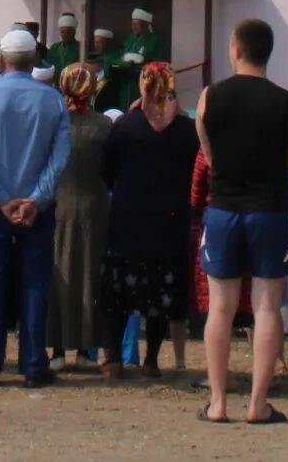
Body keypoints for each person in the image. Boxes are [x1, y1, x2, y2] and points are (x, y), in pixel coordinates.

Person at [195, 17, 288, 425]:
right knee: (267, 306)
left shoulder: (209, 98)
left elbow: (210, 156)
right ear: (267, 52)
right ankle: (258, 403)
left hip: (224, 208)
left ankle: (219, 401)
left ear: (236, 49)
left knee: (220, 306)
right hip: (270, 208)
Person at [0, 26, 71, 387]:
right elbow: (59, 157)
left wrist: (0, 198)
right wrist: (36, 199)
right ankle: (32, 365)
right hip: (36, 209)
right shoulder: (52, 100)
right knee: (35, 282)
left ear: (2, 59)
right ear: (35, 59)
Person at [101, 60, 198, 380]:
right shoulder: (187, 131)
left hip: (128, 217)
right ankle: (151, 360)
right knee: (161, 291)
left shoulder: (125, 126)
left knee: (118, 292)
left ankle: (114, 358)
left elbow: (107, 171)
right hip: (169, 221)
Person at [48, 62, 113, 369]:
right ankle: (87, 349)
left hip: (58, 207)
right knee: (89, 275)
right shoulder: (103, 127)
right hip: (94, 208)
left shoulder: (53, 123)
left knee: (59, 273)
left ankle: (57, 350)